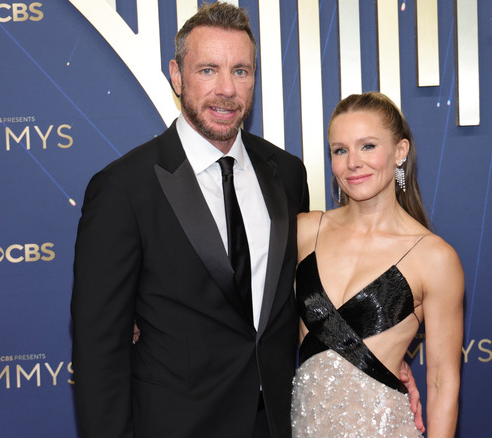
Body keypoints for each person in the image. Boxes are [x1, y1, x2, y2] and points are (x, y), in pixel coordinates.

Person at [70, 3, 308, 437]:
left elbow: (304, 300)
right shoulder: (124, 188)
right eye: (207, 70)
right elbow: (99, 348)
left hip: (274, 422)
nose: (226, 89)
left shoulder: (287, 174)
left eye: (241, 71)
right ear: (177, 76)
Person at [291, 92, 464, 437]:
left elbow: (443, 382)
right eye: (340, 150)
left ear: (400, 151)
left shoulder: (434, 258)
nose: (352, 162)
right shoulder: (305, 230)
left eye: (367, 146)